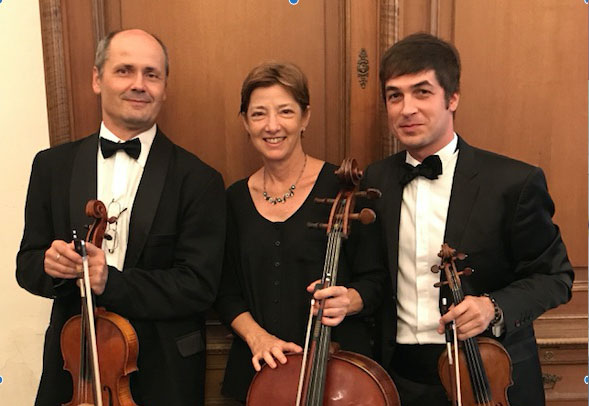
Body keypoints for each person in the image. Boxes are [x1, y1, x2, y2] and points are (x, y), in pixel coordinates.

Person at [16, 29, 225, 406]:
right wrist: (51, 267)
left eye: (152, 74)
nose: (139, 85)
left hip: (163, 373)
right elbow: (27, 265)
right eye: (124, 70)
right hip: (73, 371)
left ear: (165, 87)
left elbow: (198, 285)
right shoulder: (52, 166)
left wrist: (109, 281)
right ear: (97, 79)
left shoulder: (199, 179)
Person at [363, 33, 574, 406]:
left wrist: (492, 307)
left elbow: (555, 277)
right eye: (395, 95)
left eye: (422, 92)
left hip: (488, 375)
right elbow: (374, 277)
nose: (406, 108)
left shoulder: (514, 182)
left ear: (453, 97)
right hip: (399, 377)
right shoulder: (375, 181)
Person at [214, 61, 385, 402]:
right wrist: (258, 339)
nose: (272, 126)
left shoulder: (345, 189)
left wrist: (349, 300)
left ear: (305, 118)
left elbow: (378, 281)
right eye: (259, 114)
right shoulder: (232, 198)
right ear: (245, 122)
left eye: (286, 112)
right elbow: (224, 290)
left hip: (335, 376)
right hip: (256, 374)